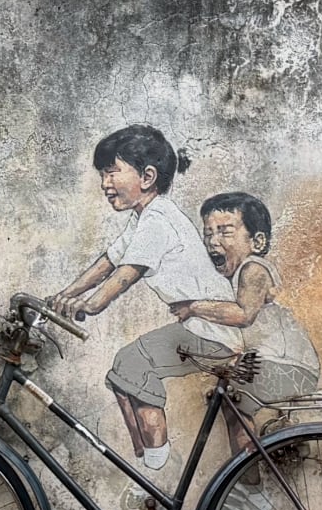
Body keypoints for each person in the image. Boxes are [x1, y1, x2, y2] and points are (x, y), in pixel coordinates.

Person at [51, 123, 224, 470]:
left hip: (212, 330)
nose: (105, 183)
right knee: (122, 372)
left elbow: (127, 273)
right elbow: (108, 262)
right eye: (102, 175)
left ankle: (158, 466)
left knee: (133, 365)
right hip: (197, 327)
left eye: (111, 172)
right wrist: (62, 295)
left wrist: (91, 304)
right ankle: (147, 460)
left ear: (146, 177)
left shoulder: (159, 218)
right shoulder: (144, 217)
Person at [170, 191, 322, 449]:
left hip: (292, 366)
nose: (213, 241)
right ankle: (249, 467)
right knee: (230, 401)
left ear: (257, 241)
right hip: (270, 362)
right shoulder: (230, 277)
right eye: (208, 233)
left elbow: (243, 314)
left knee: (234, 396)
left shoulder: (254, 269)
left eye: (225, 232)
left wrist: (193, 308)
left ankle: (249, 470)